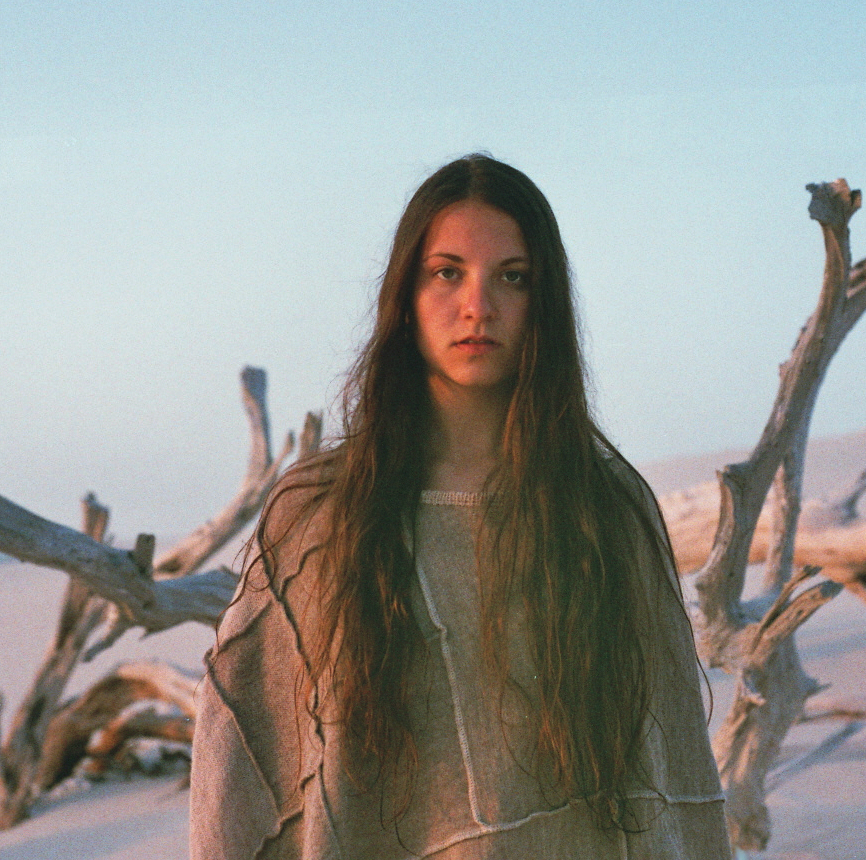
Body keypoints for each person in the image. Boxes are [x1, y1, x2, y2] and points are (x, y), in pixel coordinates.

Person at [189, 155, 730, 859]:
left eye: (514, 277)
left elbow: (673, 777)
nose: (479, 305)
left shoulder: (606, 509)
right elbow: (239, 766)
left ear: (546, 303)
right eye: (448, 272)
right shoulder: (320, 514)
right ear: (406, 295)